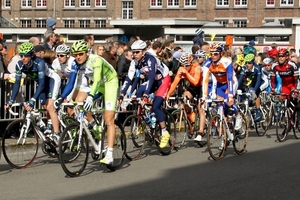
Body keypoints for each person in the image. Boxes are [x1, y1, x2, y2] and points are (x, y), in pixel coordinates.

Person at [54, 40, 119, 165]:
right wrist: (61, 98)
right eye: (75, 54)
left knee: (108, 118)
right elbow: (71, 83)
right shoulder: (76, 64)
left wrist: (90, 96)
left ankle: (110, 154)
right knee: (78, 105)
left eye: (81, 54)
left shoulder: (96, 60)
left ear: (87, 53)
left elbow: (97, 78)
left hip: (109, 83)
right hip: (98, 85)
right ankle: (95, 127)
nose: (78, 57)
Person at [119, 40, 171, 148]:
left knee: (156, 106)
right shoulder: (134, 61)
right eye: (133, 52)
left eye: (137, 52)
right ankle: (145, 119)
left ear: (143, 51)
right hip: (153, 81)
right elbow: (129, 78)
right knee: (138, 93)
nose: (134, 54)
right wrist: (122, 94)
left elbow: (151, 77)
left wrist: (146, 95)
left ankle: (165, 132)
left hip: (163, 80)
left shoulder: (150, 58)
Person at [202, 42, 242, 134]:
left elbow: (230, 78)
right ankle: (225, 132)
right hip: (220, 84)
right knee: (220, 105)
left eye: (216, 54)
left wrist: (230, 95)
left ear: (221, 54)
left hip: (230, 83)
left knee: (228, 101)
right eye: (211, 54)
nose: (213, 56)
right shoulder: (207, 63)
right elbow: (205, 81)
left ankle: (237, 115)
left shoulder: (226, 62)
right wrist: (204, 96)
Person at [166, 52, 203, 142]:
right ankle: (190, 119)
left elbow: (195, 82)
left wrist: (185, 72)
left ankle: (200, 132)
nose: (184, 67)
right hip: (192, 87)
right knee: (184, 98)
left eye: (186, 65)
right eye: (183, 65)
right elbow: (175, 83)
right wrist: (168, 94)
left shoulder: (197, 67)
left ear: (190, 63)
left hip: (201, 86)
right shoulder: (182, 69)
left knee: (200, 107)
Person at [5, 42, 46, 113]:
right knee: (44, 108)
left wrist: (33, 100)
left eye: (26, 55)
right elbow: (17, 83)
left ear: (32, 55)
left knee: (49, 108)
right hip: (40, 84)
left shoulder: (40, 63)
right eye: (21, 55)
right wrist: (11, 100)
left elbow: (42, 83)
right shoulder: (19, 64)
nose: (23, 58)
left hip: (51, 81)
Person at [237, 53, 262, 122]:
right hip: (248, 84)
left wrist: (254, 90)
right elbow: (240, 80)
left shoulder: (257, 68)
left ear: (253, 63)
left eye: (249, 63)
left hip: (256, 83)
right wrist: (236, 88)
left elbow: (258, 81)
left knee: (255, 93)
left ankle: (258, 111)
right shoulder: (244, 68)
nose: (247, 64)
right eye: (246, 63)